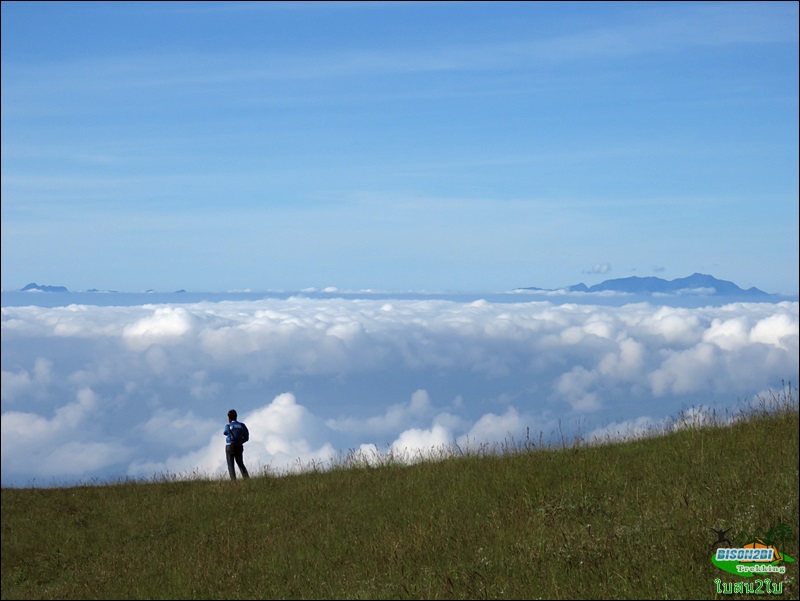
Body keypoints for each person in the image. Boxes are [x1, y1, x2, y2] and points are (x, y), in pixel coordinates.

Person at [224, 409, 250, 480]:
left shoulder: (228, 426)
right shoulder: (242, 425)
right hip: (239, 446)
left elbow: (225, 432)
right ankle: (246, 478)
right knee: (240, 463)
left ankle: (233, 481)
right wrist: (240, 442)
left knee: (230, 465)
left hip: (230, 446)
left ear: (229, 418)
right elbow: (246, 437)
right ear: (236, 416)